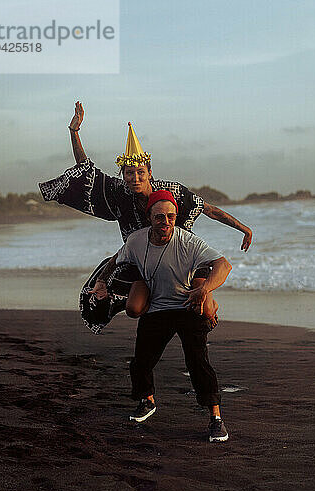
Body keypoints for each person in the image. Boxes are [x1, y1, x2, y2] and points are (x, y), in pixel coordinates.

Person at [38, 101, 252, 333]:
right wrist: (74, 132)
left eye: (141, 172)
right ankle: (153, 305)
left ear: (150, 172)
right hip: (143, 263)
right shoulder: (120, 193)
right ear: (124, 175)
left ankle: (203, 304)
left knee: (205, 311)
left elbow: (207, 208)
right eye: (129, 173)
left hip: (182, 261)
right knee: (133, 309)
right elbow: (87, 173)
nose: (135, 178)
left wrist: (243, 229)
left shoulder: (171, 191)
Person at [95, 189, 233, 443]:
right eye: (159, 217)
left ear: (175, 216)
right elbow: (115, 260)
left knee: (198, 362)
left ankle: (216, 418)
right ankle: (147, 400)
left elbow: (223, 264)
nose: (165, 222)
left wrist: (205, 289)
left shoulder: (188, 241)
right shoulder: (136, 241)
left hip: (186, 306)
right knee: (141, 361)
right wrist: (102, 282)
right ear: (149, 216)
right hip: (157, 308)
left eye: (170, 217)